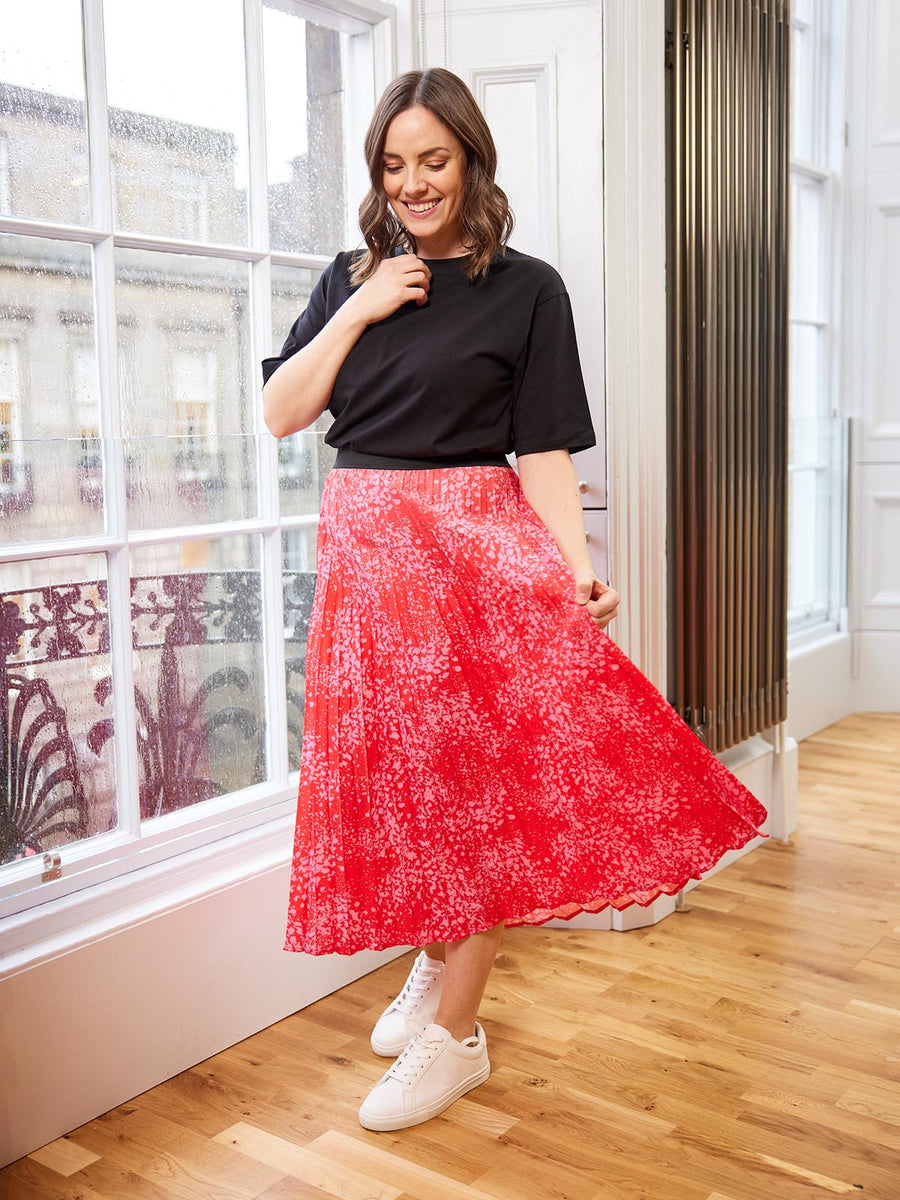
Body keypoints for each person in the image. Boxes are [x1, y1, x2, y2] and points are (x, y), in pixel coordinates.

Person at [261, 67, 770, 1134]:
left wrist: (570, 566)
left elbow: (541, 447)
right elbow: (281, 412)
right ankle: (434, 961)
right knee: (398, 781)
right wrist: (359, 304)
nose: (414, 183)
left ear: (471, 162)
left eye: (433, 161)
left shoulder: (527, 288)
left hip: (471, 557)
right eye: (395, 166)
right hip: (367, 569)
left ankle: (457, 1033)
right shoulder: (350, 279)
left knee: (468, 789)